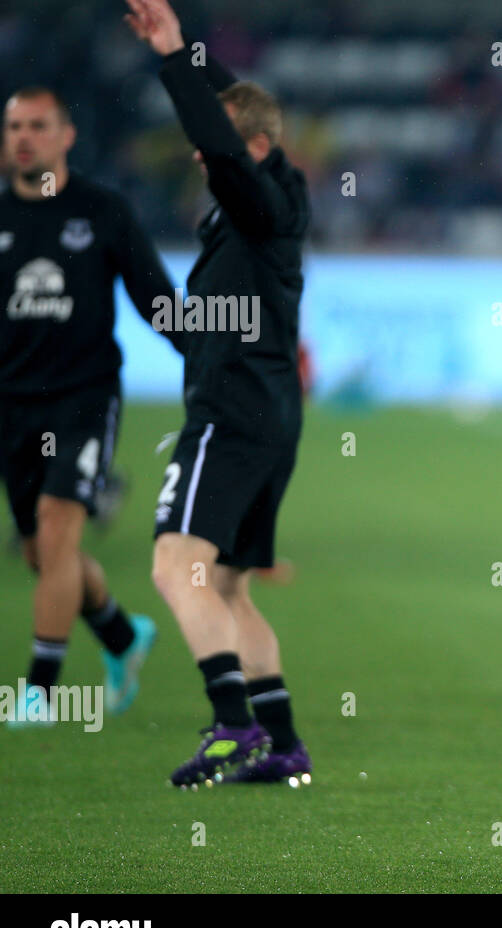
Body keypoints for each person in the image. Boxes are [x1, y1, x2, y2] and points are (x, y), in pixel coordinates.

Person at [124, 0, 311, 786]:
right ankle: (282, 742)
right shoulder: (273, 200)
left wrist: (173, 62)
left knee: (177, 567)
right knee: (228, 587)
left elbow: (226, 143)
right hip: (267, 412)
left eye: (218, 149)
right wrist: (188, 52)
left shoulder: (257, 198)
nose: (201, 160)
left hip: (231, 414)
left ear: (255, 150)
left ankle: (231, 726)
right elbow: (238, 119)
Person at [1, 84, 168, 728]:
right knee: (45, 553)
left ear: (66, 136)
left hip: (83, 399)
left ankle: (40, 691)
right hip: (11, 408)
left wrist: (208, 361)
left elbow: (158, 304)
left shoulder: (102, 212)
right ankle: (123, 637)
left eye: (38, 125)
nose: (23, 137)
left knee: (57, 523)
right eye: (14, 125)